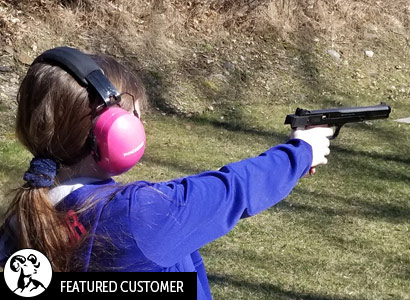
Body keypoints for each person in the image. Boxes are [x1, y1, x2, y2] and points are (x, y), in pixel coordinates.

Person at [0, 47, 332, 299]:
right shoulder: (133, 215)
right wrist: (302, 151)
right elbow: (234, 190)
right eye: (135, 115)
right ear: (113, 132)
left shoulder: (21, 221)